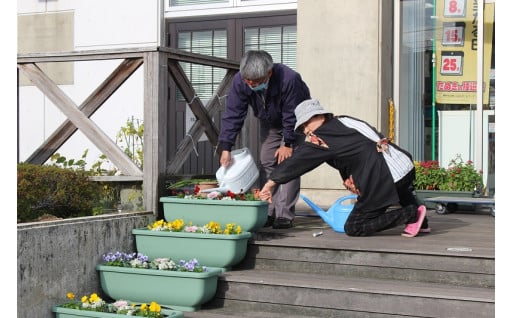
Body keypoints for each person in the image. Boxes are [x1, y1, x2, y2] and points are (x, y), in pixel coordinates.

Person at [259, 99, 430, 237]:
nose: (305, 131)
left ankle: (411, 215)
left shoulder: (323, 137)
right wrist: (351, 177)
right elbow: (357, 148)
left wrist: (270, 184)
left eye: (305, 124)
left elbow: (297, 161)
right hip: (403, 165)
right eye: (302, 128)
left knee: (355, 226)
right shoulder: (344, 120)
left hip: (384, 176)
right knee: (401, 189)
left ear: (318, 116)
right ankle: (422, 223)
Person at [218, 50, 311, 229]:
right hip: (270, 122)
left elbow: (292, 113)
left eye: (256, 81)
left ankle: (284, 215)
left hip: (297, 121)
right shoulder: (240, 80)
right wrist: (226, 146)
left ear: (269, 73)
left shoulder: (289, 79)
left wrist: (288, 142)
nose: (251, 84)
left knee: (290, 163)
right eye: (248, 80)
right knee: (267, 159)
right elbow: (233, 114)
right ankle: (268, 210)